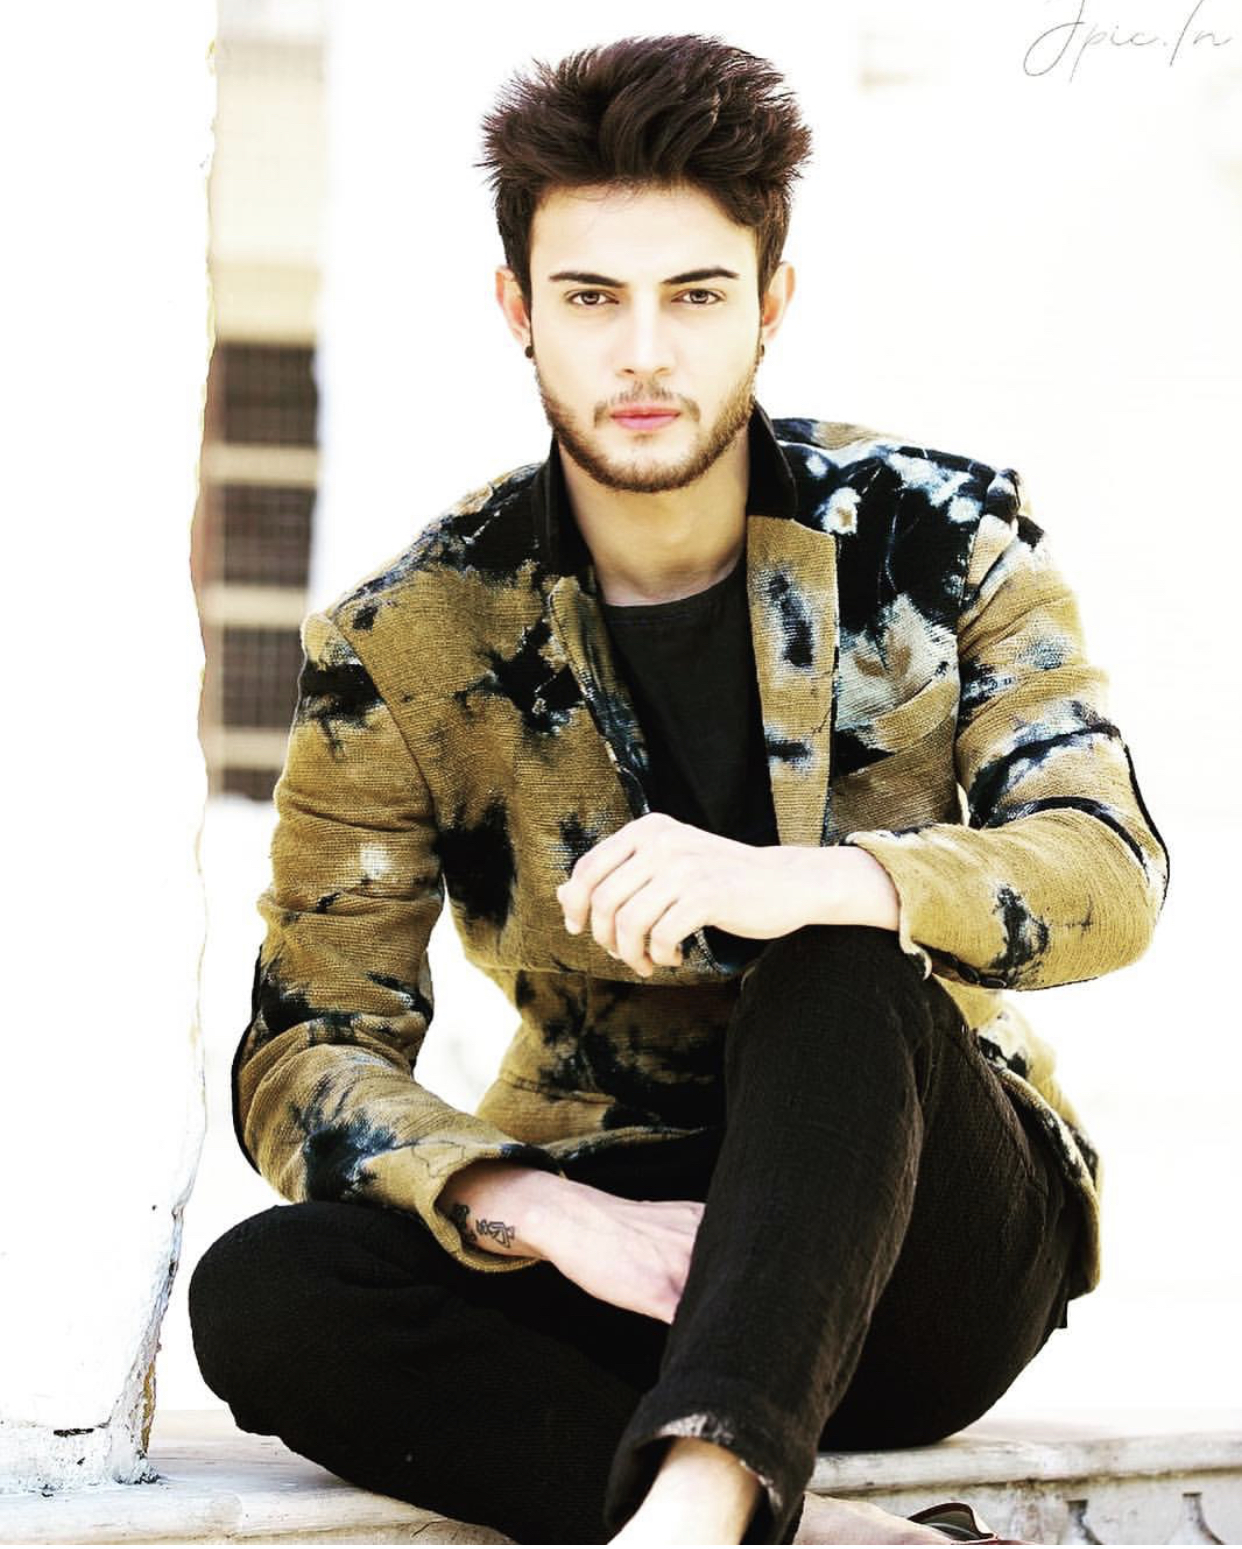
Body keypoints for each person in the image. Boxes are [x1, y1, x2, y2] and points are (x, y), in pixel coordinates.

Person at [188, 33, 1170, 1547]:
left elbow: (1105, 867)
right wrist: (544, 1208)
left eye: (695, 295)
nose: (642, 352)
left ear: (768, 303)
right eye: (592, 298)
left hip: (927, 1242)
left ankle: (700, 1507)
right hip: (636, 1242)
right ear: (518, 311)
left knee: (836, 957)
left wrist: (815, 883)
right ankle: (817, 1533)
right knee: (262, 1291)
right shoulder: (405, 639)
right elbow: (307, 1047)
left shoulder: (939, 537)